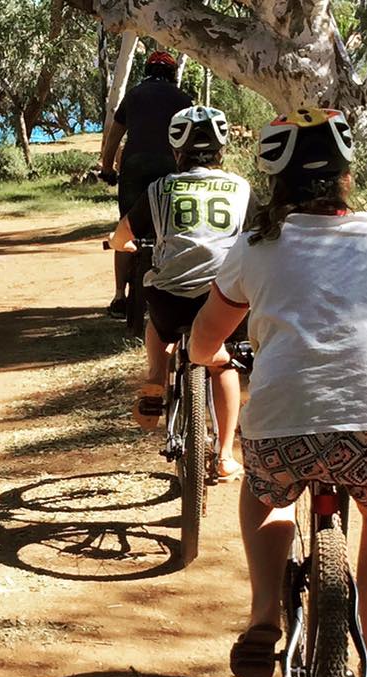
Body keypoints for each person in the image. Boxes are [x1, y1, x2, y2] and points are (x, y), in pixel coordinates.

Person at [188, 107, 367, 677]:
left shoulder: (255, 250)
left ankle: (261, 620)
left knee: (266, 494)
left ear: (274, 180)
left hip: (284, 430)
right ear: (345, 175)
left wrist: (215, 356)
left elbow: (206, 339)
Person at [109, 105, 254, 479]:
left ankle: (156, 376)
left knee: (156, 319)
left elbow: (124, 236)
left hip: (172, 300)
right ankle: (223, 455)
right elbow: (261, 233)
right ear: (221, 150)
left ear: (176, 151)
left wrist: (121, 244)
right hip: (224, 297)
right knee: (223, 362)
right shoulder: (241, 189)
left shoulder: (160, 190)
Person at [100, 50, 194, 318]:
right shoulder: (183, 99)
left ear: (147, 71)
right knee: (171, 228)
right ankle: (173, 286)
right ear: (172, 74)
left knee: (126, 226)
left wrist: (107, 169)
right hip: (169, 165)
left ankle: (119, 296)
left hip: (135, 165)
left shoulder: (135, 95)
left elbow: (114, 136)